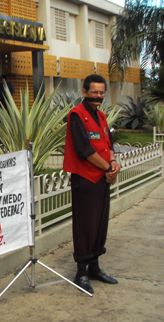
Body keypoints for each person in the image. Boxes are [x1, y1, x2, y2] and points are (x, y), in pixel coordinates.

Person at [63, 74, 121, 294]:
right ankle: (81, 272)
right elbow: (84, 150)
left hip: (102, 179)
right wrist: (107, 168)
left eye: (101, 92)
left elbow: (108, 144)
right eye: (94, 92)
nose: (98, 96)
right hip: (85, 179)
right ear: (84, 92)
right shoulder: (77, 115)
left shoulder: (102, 117)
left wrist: (113, 164)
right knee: (85, 225)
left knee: (99, 224)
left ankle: (95, 267)